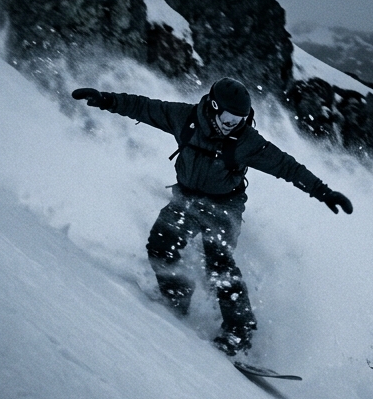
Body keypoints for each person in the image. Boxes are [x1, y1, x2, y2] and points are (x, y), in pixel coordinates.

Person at [71, 78, 353, 355]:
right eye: (229, 117)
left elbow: (286, 167)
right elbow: (144, 107)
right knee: (160, 244)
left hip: (224, 206)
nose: (234, 124)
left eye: (240, 119)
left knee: (218, 263)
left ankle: (239, 333)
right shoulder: (185, 118)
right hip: (186, 197)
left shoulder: (245, 141)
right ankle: (177, 296)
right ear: (213, 107)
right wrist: (107, 100)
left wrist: (324, 192)